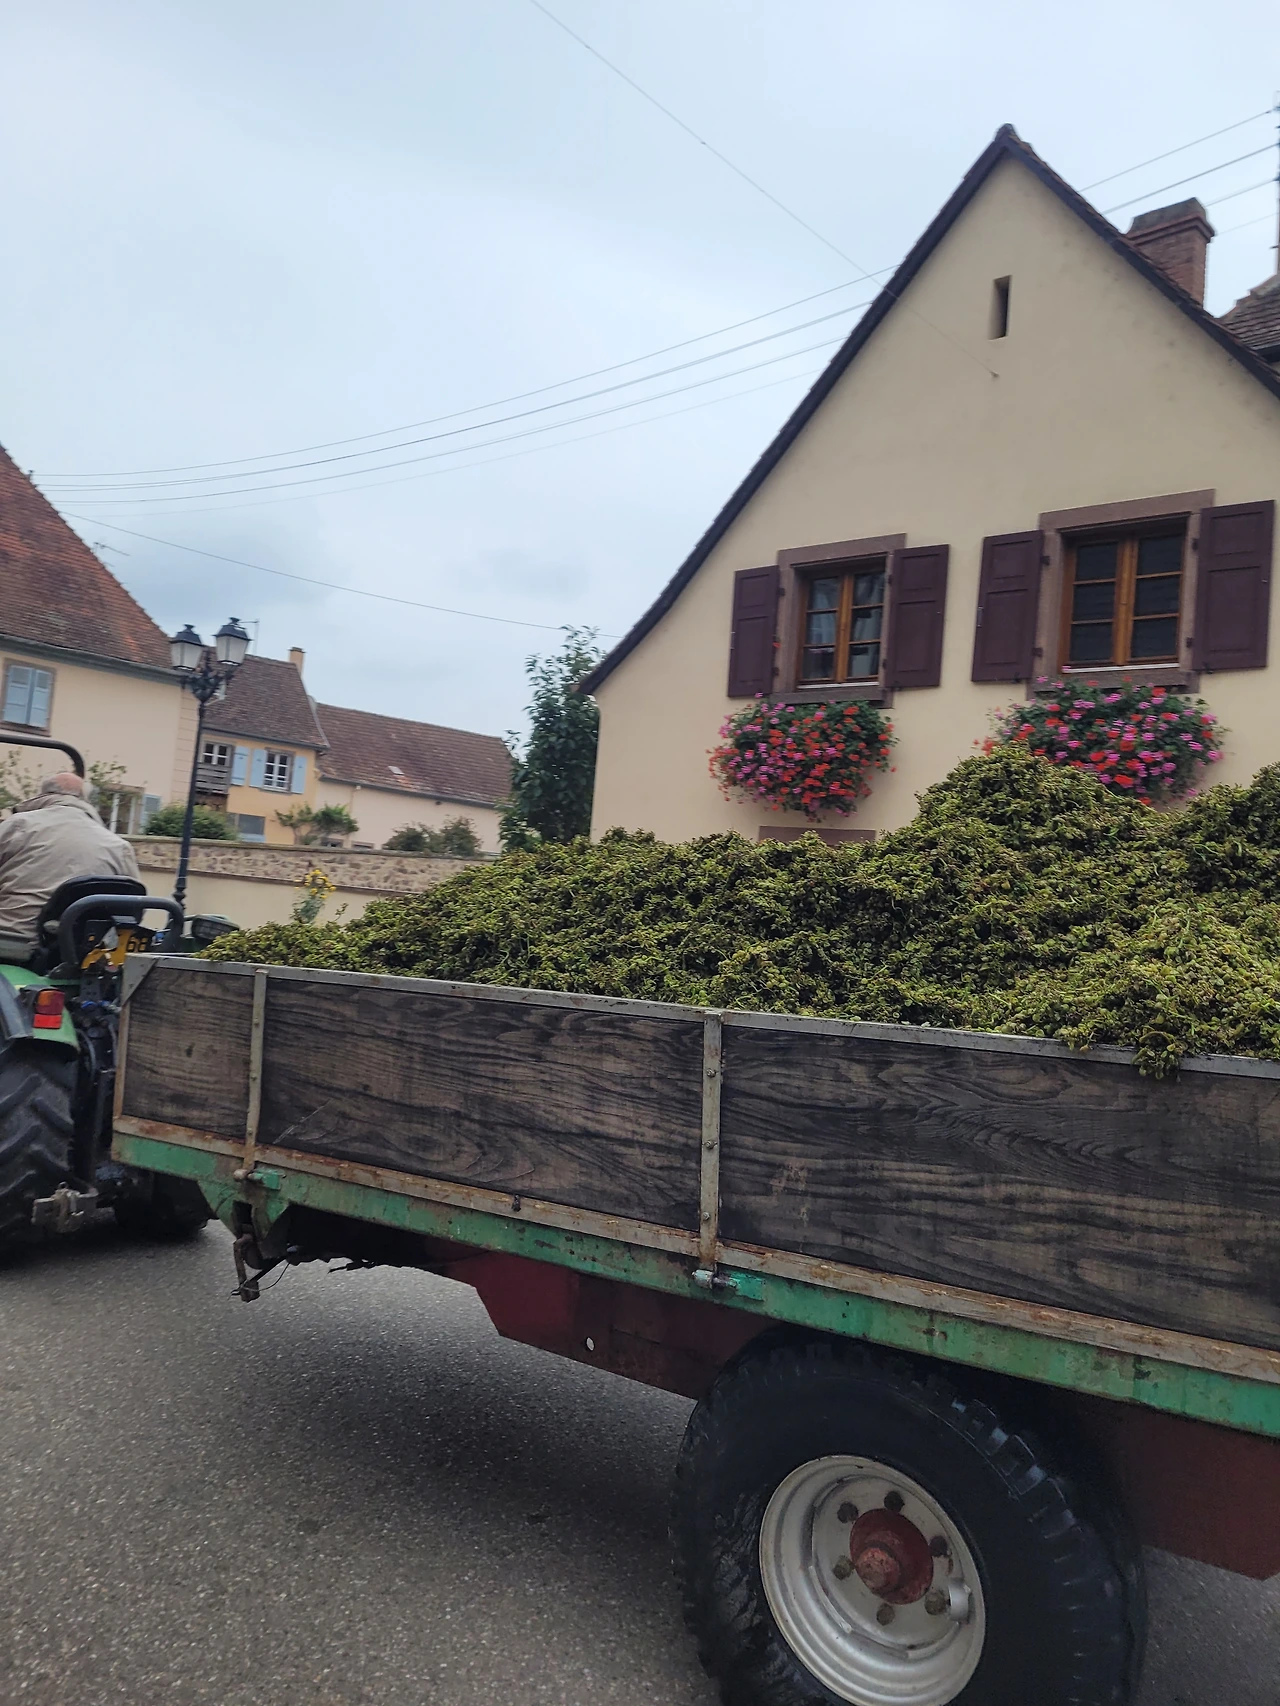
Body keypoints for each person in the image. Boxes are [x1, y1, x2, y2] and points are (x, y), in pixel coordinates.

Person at [0, 773, 141, 947]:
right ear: (84, 799)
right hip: (80, 951)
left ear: (42, 794)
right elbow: (134, 908)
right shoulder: (119, 846)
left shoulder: (17, 826)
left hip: (12, 941)